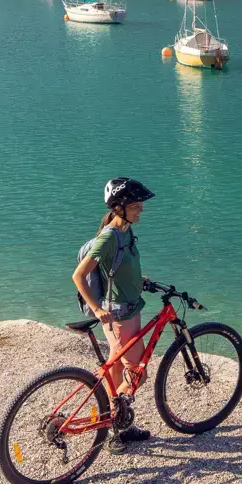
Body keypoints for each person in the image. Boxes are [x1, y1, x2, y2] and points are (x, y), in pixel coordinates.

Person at [71, 177, 157, 452]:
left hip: (131, 308)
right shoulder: (110, 236)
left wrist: (138, 279)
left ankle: (122, 424)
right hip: (118, 315)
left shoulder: (127, 230)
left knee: (116, 368)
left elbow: (116, 268)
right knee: (138, 373)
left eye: (140, 204)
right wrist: (97, 309)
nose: (141, 209)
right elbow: (79, 276)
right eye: (135, 205)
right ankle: (113, 424)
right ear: (119, 207)